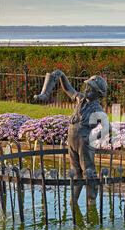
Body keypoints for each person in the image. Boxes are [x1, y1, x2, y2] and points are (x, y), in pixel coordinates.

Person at [34, 70, 109, 207]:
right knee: (75, 172)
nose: (87, 90)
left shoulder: (97, 108)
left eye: (91, 89)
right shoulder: (80, 99)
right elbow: (68, 89)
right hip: (72, 141)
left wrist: (92, 138)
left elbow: (106, 128)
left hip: (84, 142)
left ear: (98, 94)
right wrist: (62, 76)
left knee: (88, 171)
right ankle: (73, 200)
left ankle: (91, 201)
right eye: (87, 87)